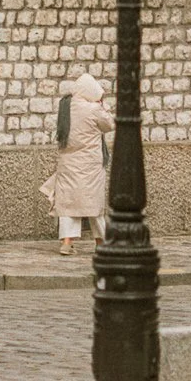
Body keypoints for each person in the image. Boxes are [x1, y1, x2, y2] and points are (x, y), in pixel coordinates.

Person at [40, 72, 113, 254]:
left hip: (68, 163)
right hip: (90, 164)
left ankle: (66, 243)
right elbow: (109, 125)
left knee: (68, 204)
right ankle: (101, 242)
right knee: (93, 203)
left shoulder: (66, 106)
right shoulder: (94, 109)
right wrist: (104, 107)